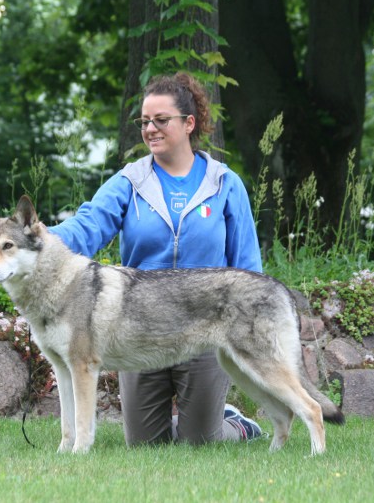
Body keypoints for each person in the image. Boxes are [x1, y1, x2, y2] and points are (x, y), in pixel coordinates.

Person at [48, 71, 264, 446]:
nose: (150, 129)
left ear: (189, 123)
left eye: (161, 120)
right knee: (146, 445)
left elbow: (247, 265)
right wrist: (40, 239)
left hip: (203, 325)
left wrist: (252, 319)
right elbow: (88, 225)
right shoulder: (129, 182)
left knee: (200, 442)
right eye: (145, 121)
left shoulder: (225, 183)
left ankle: (236, 424)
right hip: (139, 328)